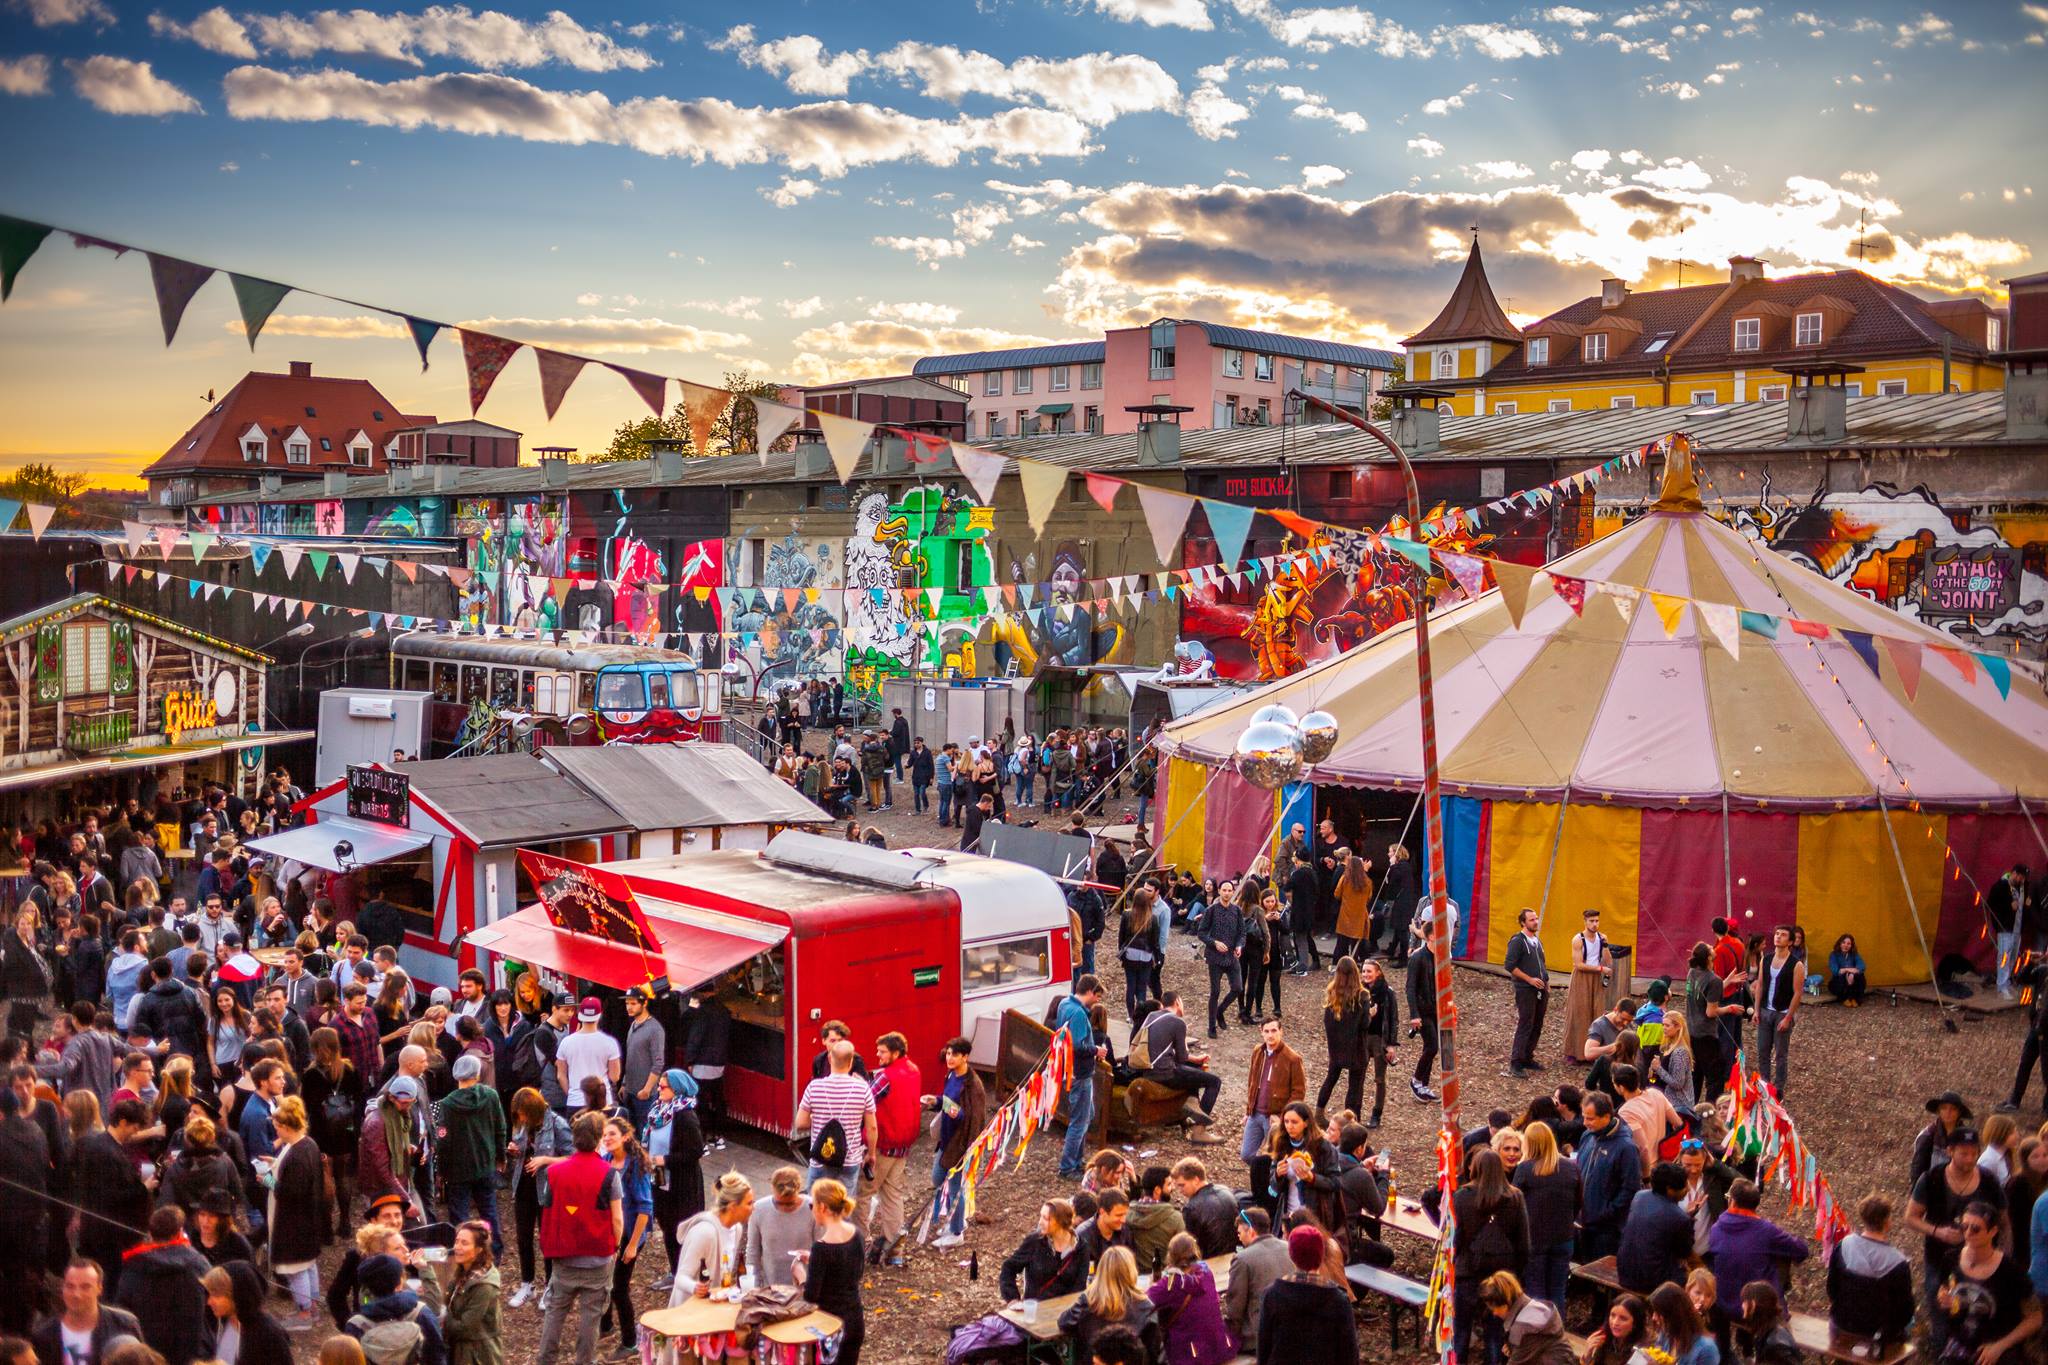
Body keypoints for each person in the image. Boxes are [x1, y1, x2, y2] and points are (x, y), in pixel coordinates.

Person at [1907, 1126, 2007, 1353]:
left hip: (1980, 1258)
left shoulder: (1988, 1180)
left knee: (1976, 1305)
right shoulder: (1932, 1178)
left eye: (1974, 1153)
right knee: (1936, 1296)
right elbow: (1911, 1218)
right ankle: (1941, 1345)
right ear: (1950, 1151)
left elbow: (2004, 1219)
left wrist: (2003, 1252)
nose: (1970, 1158)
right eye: (1964, 1153)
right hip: (1939, 1256)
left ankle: (1972, 1349)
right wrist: (1937, 1231)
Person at [535, 1112, 623, 1365]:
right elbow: (617, 1219)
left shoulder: (555, 1173)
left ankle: (545, 1359)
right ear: (598, 1140)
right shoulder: (609, 1174)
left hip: (563, 1256)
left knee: (555, 1312)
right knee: (591, 1317)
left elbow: (549, 1208)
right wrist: (615, 1245)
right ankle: (584, 1360)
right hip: (598, 1256)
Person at [1934, 1200, 2039, 1365]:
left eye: (1975, 1229)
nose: (1968, 1233)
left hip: (1997, 1349)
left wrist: (2000, 1346)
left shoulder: (2010, 1272)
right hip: (1960, 1345)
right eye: (1964, 1226)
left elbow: (2035, 1318)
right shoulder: (1951, 1259)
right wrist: (1944, 1300)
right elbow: (1944, 1293)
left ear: (1993, 1232)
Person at [1453, 1147, 1530, 1365]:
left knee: (1460, 1334)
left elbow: (1456, 1240)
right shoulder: (1515, 1197)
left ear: (1474, 1168)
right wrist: (1516, 1274)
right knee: (1495, 1335)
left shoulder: (1462, 1197)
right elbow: (1524, 1244)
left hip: (1468, 1272)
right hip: (1502, 1276)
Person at [115, 1205, 211, 1365]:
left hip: (145, 1355)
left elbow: (122, 1312)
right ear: (180, 1232)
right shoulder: (198, 1264)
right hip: (191, 1354)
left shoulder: (134, 1265)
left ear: (150, 1234)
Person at [504, 1088, 573, 1308]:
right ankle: (527, 1284)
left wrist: (545, 1160)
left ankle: (550, 1287)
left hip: (547, 1188)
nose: (520, 1118)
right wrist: (515, 1150)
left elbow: (573, 1157)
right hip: (523, 1185)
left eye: (523, 1113)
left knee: (547, 1240)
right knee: (523, 1237)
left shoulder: (557, 1124)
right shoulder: (523, 1125)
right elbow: (520, 1147)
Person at [1704, 1178, 1808, 1320]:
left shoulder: (1716, 1228)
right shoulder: (1765, 1230)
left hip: (1724, 1303)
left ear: (1732, 1202)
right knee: (1780, 1254)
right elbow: (1801, 1251)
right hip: (1756, 1308)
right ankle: (1779, 1310)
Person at [1253, 1224, 1356, 1365]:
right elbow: (1349, 1354)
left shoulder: (1272, 1295)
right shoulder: (1338, 1300)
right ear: (1321, 1255)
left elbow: (1263, 1348)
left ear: (1291, 1255)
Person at [267, 1096, 326, 1331]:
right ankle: (312, 1307)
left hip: (294, 1222)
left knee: (296, 1268)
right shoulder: (307, 1144)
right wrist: (275, 1163)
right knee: (308, 1264)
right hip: (307, 1220)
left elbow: (291, 1191)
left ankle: (304, 1314)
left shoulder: (298, 1154)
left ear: (285, 1126)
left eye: (277, 1126)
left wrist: (268, 1179)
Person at [595, 1117, 652, 1360]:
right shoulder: (607, 1160)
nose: (607, 1139)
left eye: (612, 1135)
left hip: (630, 1234)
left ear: (626, 1137)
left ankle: (631, 1341)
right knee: (606, 1280)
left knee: (619, 1288)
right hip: (613, 1233)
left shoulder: (635, 1166)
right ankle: (605, 1325)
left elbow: (644, 1210)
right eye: (604, 1135)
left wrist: (632, 1246)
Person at [437, 1054, 507, 1251]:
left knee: (460, 1216)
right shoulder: (491, 1096)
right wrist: (500, 1156)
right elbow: (500, 1128)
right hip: (485, 1164)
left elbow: (443, 1141)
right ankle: (494, 1252)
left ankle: (463, 1252)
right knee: (489, 1211)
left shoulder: (448, 1104)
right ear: (477, 1074)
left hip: (458, 1171)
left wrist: (441, 1171)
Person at [923, 1035, 986, 1249]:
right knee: (939, 1179)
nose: (950, 1058)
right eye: (948, 1053)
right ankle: (953, 1222)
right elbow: (948, 1105)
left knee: (954, 1185)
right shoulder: (951, 1076)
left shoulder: (973, 1086)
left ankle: (957, 1231)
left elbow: (969, 1118)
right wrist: (936, 1102)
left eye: (955, 1054)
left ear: (965, 1057)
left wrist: (943, 1103)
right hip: (946, 1140)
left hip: (960, 1144)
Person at [644, 1070, 705, 1288]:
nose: (658, 1090)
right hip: (661, 1180)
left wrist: (664, 1160)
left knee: (683, 1228)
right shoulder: (658, 1110)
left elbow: (695, 1151)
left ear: (677, 1090)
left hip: (682, 1183)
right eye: (658, 1086)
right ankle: (675, 1270)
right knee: (668, 1227)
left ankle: (690, 1272)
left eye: (663, 1087)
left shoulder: (685, 1116)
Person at [1829, 1195, 1915, 1344]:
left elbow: (1832, 1288)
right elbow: (1905, 1311)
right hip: (1879, 1334)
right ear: (1887, 1222)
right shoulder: (1897, 1262)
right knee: (1909, 1327)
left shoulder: (1844, 1245)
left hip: (1842, 1324)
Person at [796, 1039, 876, 1196]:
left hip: (820, 1159)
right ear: (851, 1061)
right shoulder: (863, 1089)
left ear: (830, 1059)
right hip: (850, 1159)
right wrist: (871, 1154)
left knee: (815, 1206)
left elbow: (800, 1123)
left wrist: (819, 1119)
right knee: (842, 1208)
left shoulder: (814, 1087)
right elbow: (871, 1127)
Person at [1514, 1120, 1579, 1308]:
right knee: (1558, 1290)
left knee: (1536, 1290)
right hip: (1564, 1236)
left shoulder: (1525, 1169)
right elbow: (1578, 1202)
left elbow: (1515, 1205)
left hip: (1535, 1238)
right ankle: (1557, 1330)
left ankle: (1538, 1332)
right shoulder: (1570, 1167)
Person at [1059, 1246, 1160, 1365]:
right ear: (1132, 1271)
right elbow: (1154, 1352)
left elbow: (1064, 1322)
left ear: (1101, 1271)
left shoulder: (1088, 1301)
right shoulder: (1146, 1308)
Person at [1148, 1231, 1236, 1365]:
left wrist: (1154, 1284)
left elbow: (1143, 1303)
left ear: (1171, 1256)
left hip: (1189, 1355)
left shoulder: (1171, 1284)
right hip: (1218, 1348)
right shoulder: (1205, 1271)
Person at [30, 1260, 140, 1365]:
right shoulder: (43, 1335)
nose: (76, 1294)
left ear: (99, 1288)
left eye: (85, 1287)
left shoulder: (123, 1325)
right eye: (70, 1286)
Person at [1576, 1091, 1642, 1262]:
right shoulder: (1587, 1136)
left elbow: (1630, 1188)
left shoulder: (1626, 1147)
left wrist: (1606, 1212)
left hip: (1606, 1231)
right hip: (1581, 1223)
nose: (1585, 1123)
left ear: (1606, 1116)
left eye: (1590, 1119)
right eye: (1584, 1117)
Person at [344, 1255, 445, 1365]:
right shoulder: (421, 1313)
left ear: (368, 1288)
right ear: (399, 1284)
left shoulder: (356, 1325)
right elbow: (437, 1357)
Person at [668, 1172, 753, 1301]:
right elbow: (680, 1277)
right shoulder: (705, 1233)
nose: (753, 1207)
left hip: (713, 1305)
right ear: (732, 1207)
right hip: (689, 1309)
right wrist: (696, 1287)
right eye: (749, 1203)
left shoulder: (737, 1229)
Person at [1222, 1208, 1289, 1356]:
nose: (1239, 1238)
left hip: (1257, 1339)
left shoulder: (1242, 1259)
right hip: (1289, 1329)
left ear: (1251, 1231)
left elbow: (1235, 1308)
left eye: (1240, 1233)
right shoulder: (1288, 1247)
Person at [1057, 977, 1104, 1180]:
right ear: (1090, 992)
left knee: (1086, 1115)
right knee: (1079, 1121)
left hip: (1071, 1071)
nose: (1097, 1001)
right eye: (1097, 996)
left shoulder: (1064, 1004)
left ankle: (1077, 1159)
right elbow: (1076, 1045)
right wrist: (1096, 1050)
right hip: (1080, 1072)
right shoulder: (1078, 1013)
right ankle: (1068, 1167)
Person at [1241, 1016, 1305, 1167]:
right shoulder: (1258, 1051)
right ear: (1261, 1032)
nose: (1270, 1035)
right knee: (1246, 1154)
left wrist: (1283, 1117)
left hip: (1275, 1118)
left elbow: (1299, 1092)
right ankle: (1262, 1174)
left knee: (1275, 1158)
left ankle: (1271, 1185)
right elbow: (1252, 1081)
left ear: (1281, 1032)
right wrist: (1248, 1110)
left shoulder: (1293, 1059)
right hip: (1255, 1114)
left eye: (1274, 1031)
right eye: (1267, 1031)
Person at [1480, 1270, 1575, 1365]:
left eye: (1494, 1309)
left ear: (1505, 1306)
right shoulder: (1534, 1307)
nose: (1494, 1313)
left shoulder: (1523, 1329)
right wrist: (1513, 1346)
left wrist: (1516, 1346)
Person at [1000, 1198, 1086, 1301]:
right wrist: (1013, 1299)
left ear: (1060, 1222)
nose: (1040, 1222)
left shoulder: (1080, 1247)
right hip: (1035, 1310)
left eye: (1045, 1218)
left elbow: (1080, 1285)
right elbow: (1008, 1268)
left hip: (1066, 1312)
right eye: (1041, 1216)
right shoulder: (1035, 1242)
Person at [443, 1221, 501, 1365]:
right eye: (456, 1241)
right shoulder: (463, 1271)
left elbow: (465, 1328)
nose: (457, 1247)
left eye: (464, 1243)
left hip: (478, 1356)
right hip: (461, 1350)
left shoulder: (484, 1286)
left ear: (479, 1249)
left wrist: (442, 1316)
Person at [745, 1167, 813, 1289]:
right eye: (779, 1203)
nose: (785, 1208)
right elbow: (752, 1251)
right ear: (772, 1188)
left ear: (799, 1189)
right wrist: (753, 1284)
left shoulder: (813, 1208)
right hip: (771, 1288)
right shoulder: (759, 1209)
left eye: (790, 1203)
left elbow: (823, 1248)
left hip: (805, 1288)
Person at [1753, 927, 1800, 1096]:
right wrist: (1756, 1010)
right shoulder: (1765, 960)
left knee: (1781, 1053)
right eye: (1777, 934)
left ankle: (1779, 1088)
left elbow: (1797, 993)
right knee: (1763, 1050)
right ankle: (1765, 1084)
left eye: (1783, 935)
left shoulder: (1796, 964)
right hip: (1765, 1010)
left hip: (1782, 1012)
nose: (1778, 937)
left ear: (1790, 942)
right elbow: (1760, 985)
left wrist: (1788, 1018)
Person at [1504, 908, 1550, 1077]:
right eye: (1531, 920)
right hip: (1525, 990)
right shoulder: (1517, 941)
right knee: (1525, 1023)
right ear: (1523, 922)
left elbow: (1542, 964)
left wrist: (1546, 982)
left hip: (1540, 989)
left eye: (1536, 919)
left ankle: (1527, 1056)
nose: (1535, 922)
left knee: (1537, 1023)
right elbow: (1509, 965)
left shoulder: (1537, 941)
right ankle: (1516, 1062)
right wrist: (1529, 979)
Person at [1616, 1064, 1682, 1177]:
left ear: (1621, 1087)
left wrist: (1645, 1178)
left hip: (1647, 1168)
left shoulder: (1626, 1112)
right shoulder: (1656, 1093)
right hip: (1664, 1162)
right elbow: (1678, 1123)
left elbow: (1643, 1148)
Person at [556, 998, 621, 1110]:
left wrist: (572, 1094)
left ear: (580, 1015)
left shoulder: (566, 1042)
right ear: (600, 1015)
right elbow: (614, 1077)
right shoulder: (609, 1042)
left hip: (575, 1101)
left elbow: (560, 1075)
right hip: (603, 1101)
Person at [1201, 881, 1246, 1038]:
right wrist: (1214, 943)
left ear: (1233, 892)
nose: (1227, 893)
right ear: (1219, 891)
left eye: (1229, 890)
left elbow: (1242, 933)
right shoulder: (1211, 910)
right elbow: (1201, 932)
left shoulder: (1237, 911)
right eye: (1224, 890)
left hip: (1232, 956)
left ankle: (1220, 1011)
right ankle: (1211, 1025)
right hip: (1215, 957)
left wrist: (1240, 946)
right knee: (1215, 991)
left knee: (1238, 988)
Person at [1174, 1158, 1239, 1260]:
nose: (1180, 1190)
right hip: (1233, 1256)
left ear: (1195, 1180)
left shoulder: (1192, 1208)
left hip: (1208, 1262)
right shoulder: (1226, 1191)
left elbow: (1191, 1246)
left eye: (1182, 1185)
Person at [1648, 1281, 1720, 1365]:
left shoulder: (1706, 1349)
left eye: (1659, 1313)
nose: (1654, 1317)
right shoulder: (1665, 1335)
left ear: (1673, 1315)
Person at [1735, 1282, 1801, 1365]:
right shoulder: (1768, 1327)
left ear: (1753, 1305)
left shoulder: (1775, 1346)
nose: (1742, 1306)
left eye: (1744, 1302)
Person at [1991, 867, 2031, 999]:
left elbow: (2024, 905)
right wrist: (2008, 906)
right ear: (2014, 873)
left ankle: (2007, 982)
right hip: (2005, 927)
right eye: (2020, 877)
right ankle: (2001, 987)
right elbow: (1992, 904)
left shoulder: (2023, 887)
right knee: (2004, 957)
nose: (2022, 880)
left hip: (2017, 928)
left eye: (2024, 878)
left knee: (2013, 957)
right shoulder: (2001, 886)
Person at [1586, 1294, 1651, 1365]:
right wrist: (1588, 1353)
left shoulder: (1644, 1348)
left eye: (1623, 1318)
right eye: (1612, 1315)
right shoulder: (1605, 1336)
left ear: (1635, 1323)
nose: (1615, 1322)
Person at [1826, 934, 1867, 1006]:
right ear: (1840, 943)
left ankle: (1855, 998)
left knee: (1860, 976)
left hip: (1852, 979)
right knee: (1842, 977)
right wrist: (1849, 970)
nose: (1846, 945)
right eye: (1844, 943)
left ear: (1851, 946)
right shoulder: (1834, 954)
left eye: (1849, 944)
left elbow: (1862, 966)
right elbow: (1835, 970)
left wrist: (1852, 973)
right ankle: (1845, 998)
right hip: (1839, 981)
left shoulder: (1854, 954)